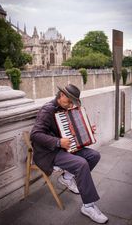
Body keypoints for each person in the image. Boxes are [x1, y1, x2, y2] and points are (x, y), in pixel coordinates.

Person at [30, 84, 108, 224]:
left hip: (63, 148)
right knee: (81, 164)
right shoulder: (47, 110)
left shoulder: (63, 108)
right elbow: (35, 135)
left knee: (94, 156)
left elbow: (68, 130)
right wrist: (59, 142)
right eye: (69, 101)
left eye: (73, 102)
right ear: (61, 95)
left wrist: (87, 130)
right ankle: (88, 206)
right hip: (49, 153)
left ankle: (67, 177)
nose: (71, 104)